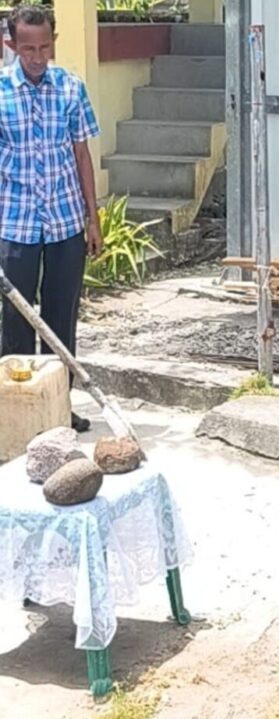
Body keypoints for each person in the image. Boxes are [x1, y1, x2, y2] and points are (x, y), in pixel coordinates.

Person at [0, 4, 102, 432]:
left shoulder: (70, 88)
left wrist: (92, 219)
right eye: (28, 49)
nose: (38, 57)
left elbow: (81, 155)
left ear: (53, 43)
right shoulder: (1, 92)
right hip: (15, 226)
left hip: (64, 225)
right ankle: (19, 410)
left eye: (44, 48)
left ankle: (59, 407)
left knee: (61, 320)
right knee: (16, 323)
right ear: (11, 45)